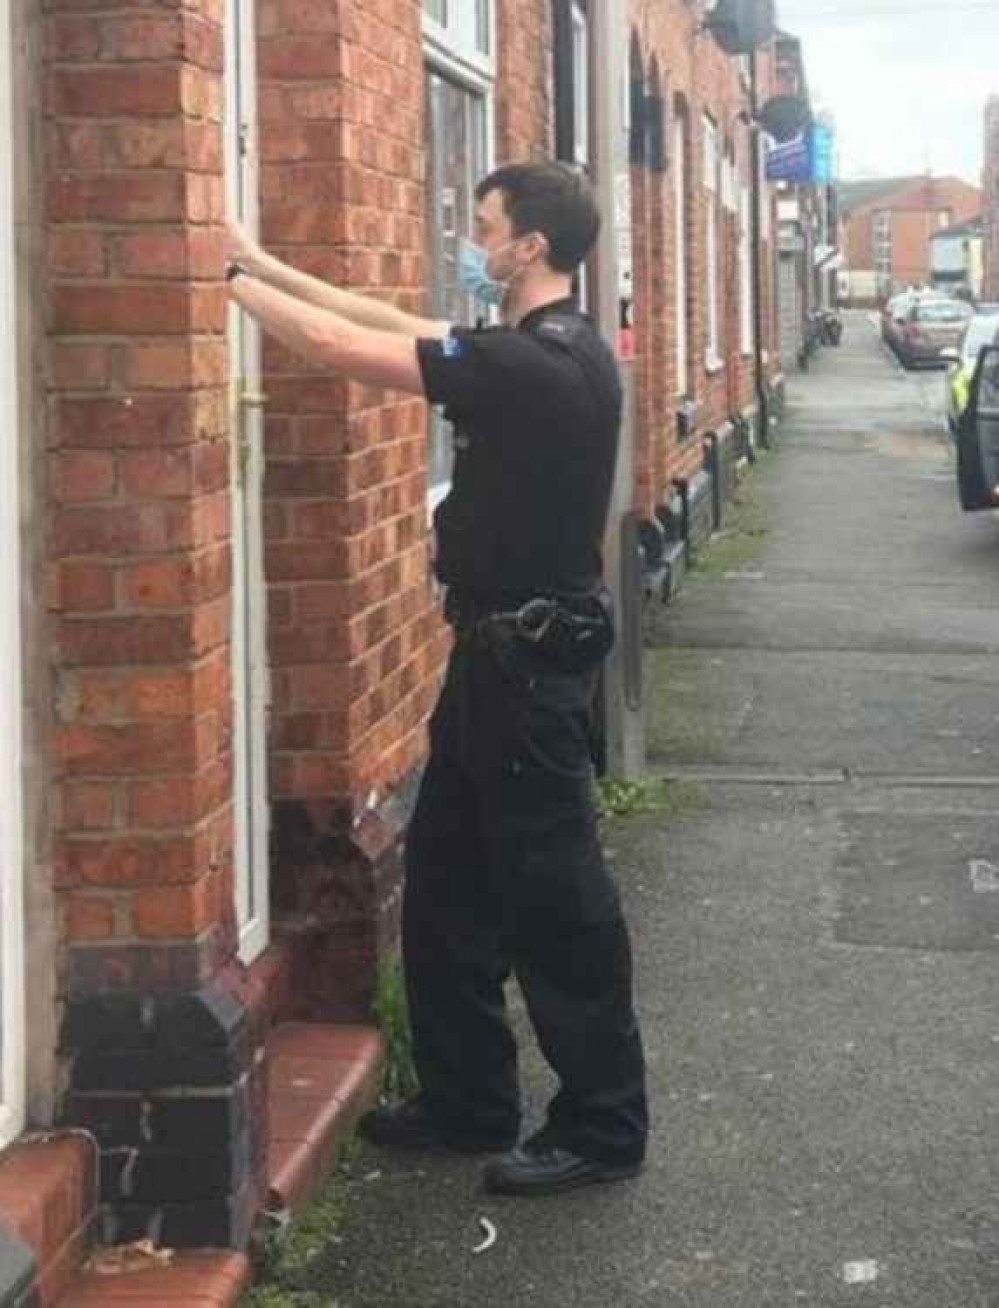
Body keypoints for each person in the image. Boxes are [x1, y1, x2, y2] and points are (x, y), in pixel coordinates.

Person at [226, 162, 648, 1196]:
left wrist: (209, 281)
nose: (474, 238)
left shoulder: (534, 366)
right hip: (494, 663)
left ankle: (602, 1126)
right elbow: (372, 313)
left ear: (530, 248)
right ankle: (470, 1101)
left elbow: (337, 347)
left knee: (556, 907)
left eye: (487, 225)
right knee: (449, 888)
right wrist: (256, 261)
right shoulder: (547, 346)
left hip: (526, 679)